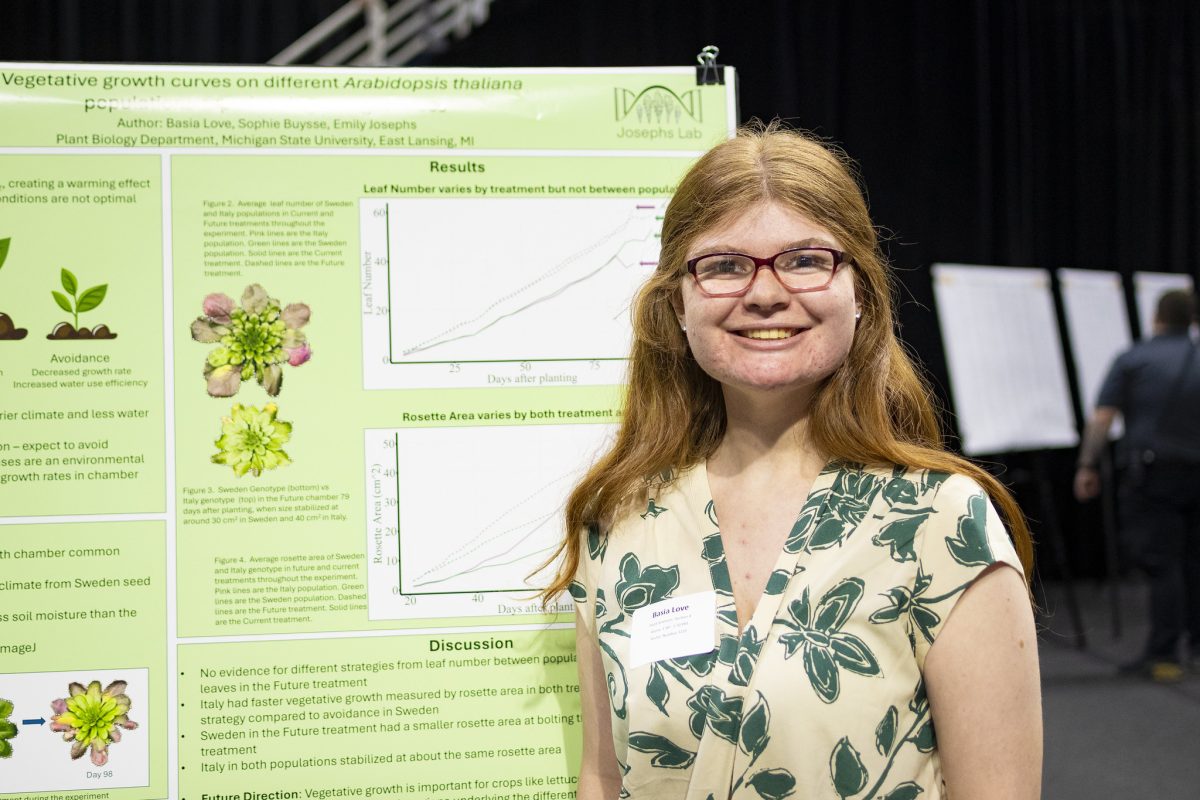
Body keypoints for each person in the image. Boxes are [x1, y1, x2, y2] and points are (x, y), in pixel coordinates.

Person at [542, 123, 1041, 800]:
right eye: (723, 265)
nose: (766, 292)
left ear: (859, 292)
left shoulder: (938, 522)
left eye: (805, 260)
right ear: (676, 305)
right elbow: (603, 777)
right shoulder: (619, 520)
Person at [1074, 288, 1200, 681]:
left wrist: (1087, 465)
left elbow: (1102, 419)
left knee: (1163, 564)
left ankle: (1163, 654)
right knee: (1196, 560)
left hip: (1153, 475)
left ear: (1156, 318)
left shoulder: (1133, 359)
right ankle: (1195, 645)